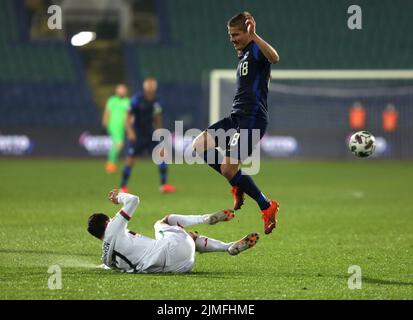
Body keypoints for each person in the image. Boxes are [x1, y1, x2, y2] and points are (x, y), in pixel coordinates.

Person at [192, 12, 280, 234]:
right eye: (230, 35)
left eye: (236, 34)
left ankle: (266, 206)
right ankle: (236, 183)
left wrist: (255, 36)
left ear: (247, 32)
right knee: (199, 145)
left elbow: (275, 57)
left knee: (229, 168)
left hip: (252, 119)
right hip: (236, 117)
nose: (232, 39)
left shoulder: (257, 50)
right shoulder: (243, 55)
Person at [87, 189, 260, 273]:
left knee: (182, 238)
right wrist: (118, 198)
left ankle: (228, 246)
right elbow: (134, 200)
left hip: (180, 267)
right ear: (107, 222)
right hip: (173, 249)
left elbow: (109, 263)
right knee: (162, 222)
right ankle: (205, 219)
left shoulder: (107, 259)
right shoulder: (112, 229)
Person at [120, 77, 176, 193]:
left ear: (155, 87)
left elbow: (157, 117)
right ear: (144, 87)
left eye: (152, 85)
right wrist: (130, 131)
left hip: (151, 133)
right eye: (148, 85)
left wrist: (160, 131)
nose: (150, 87)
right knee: (130, 159)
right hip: (137, 134)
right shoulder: (136, 99)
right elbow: (128, 117)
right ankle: (123, 186)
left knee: (161, 156)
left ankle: (164, 185)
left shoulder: (157, 101)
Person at [102, 84, 130, 174]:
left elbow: (129, 114)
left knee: (117, 144)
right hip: (113, 125)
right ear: (117, 91)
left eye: (124, 89)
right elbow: (107, 112)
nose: (122, 91)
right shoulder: (112, 100)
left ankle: (111, 164)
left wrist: (128, 125)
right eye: (120, 89)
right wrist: (105, 122)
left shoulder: (128, 101)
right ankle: (110, 164)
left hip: (122, 126)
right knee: (119, 144)